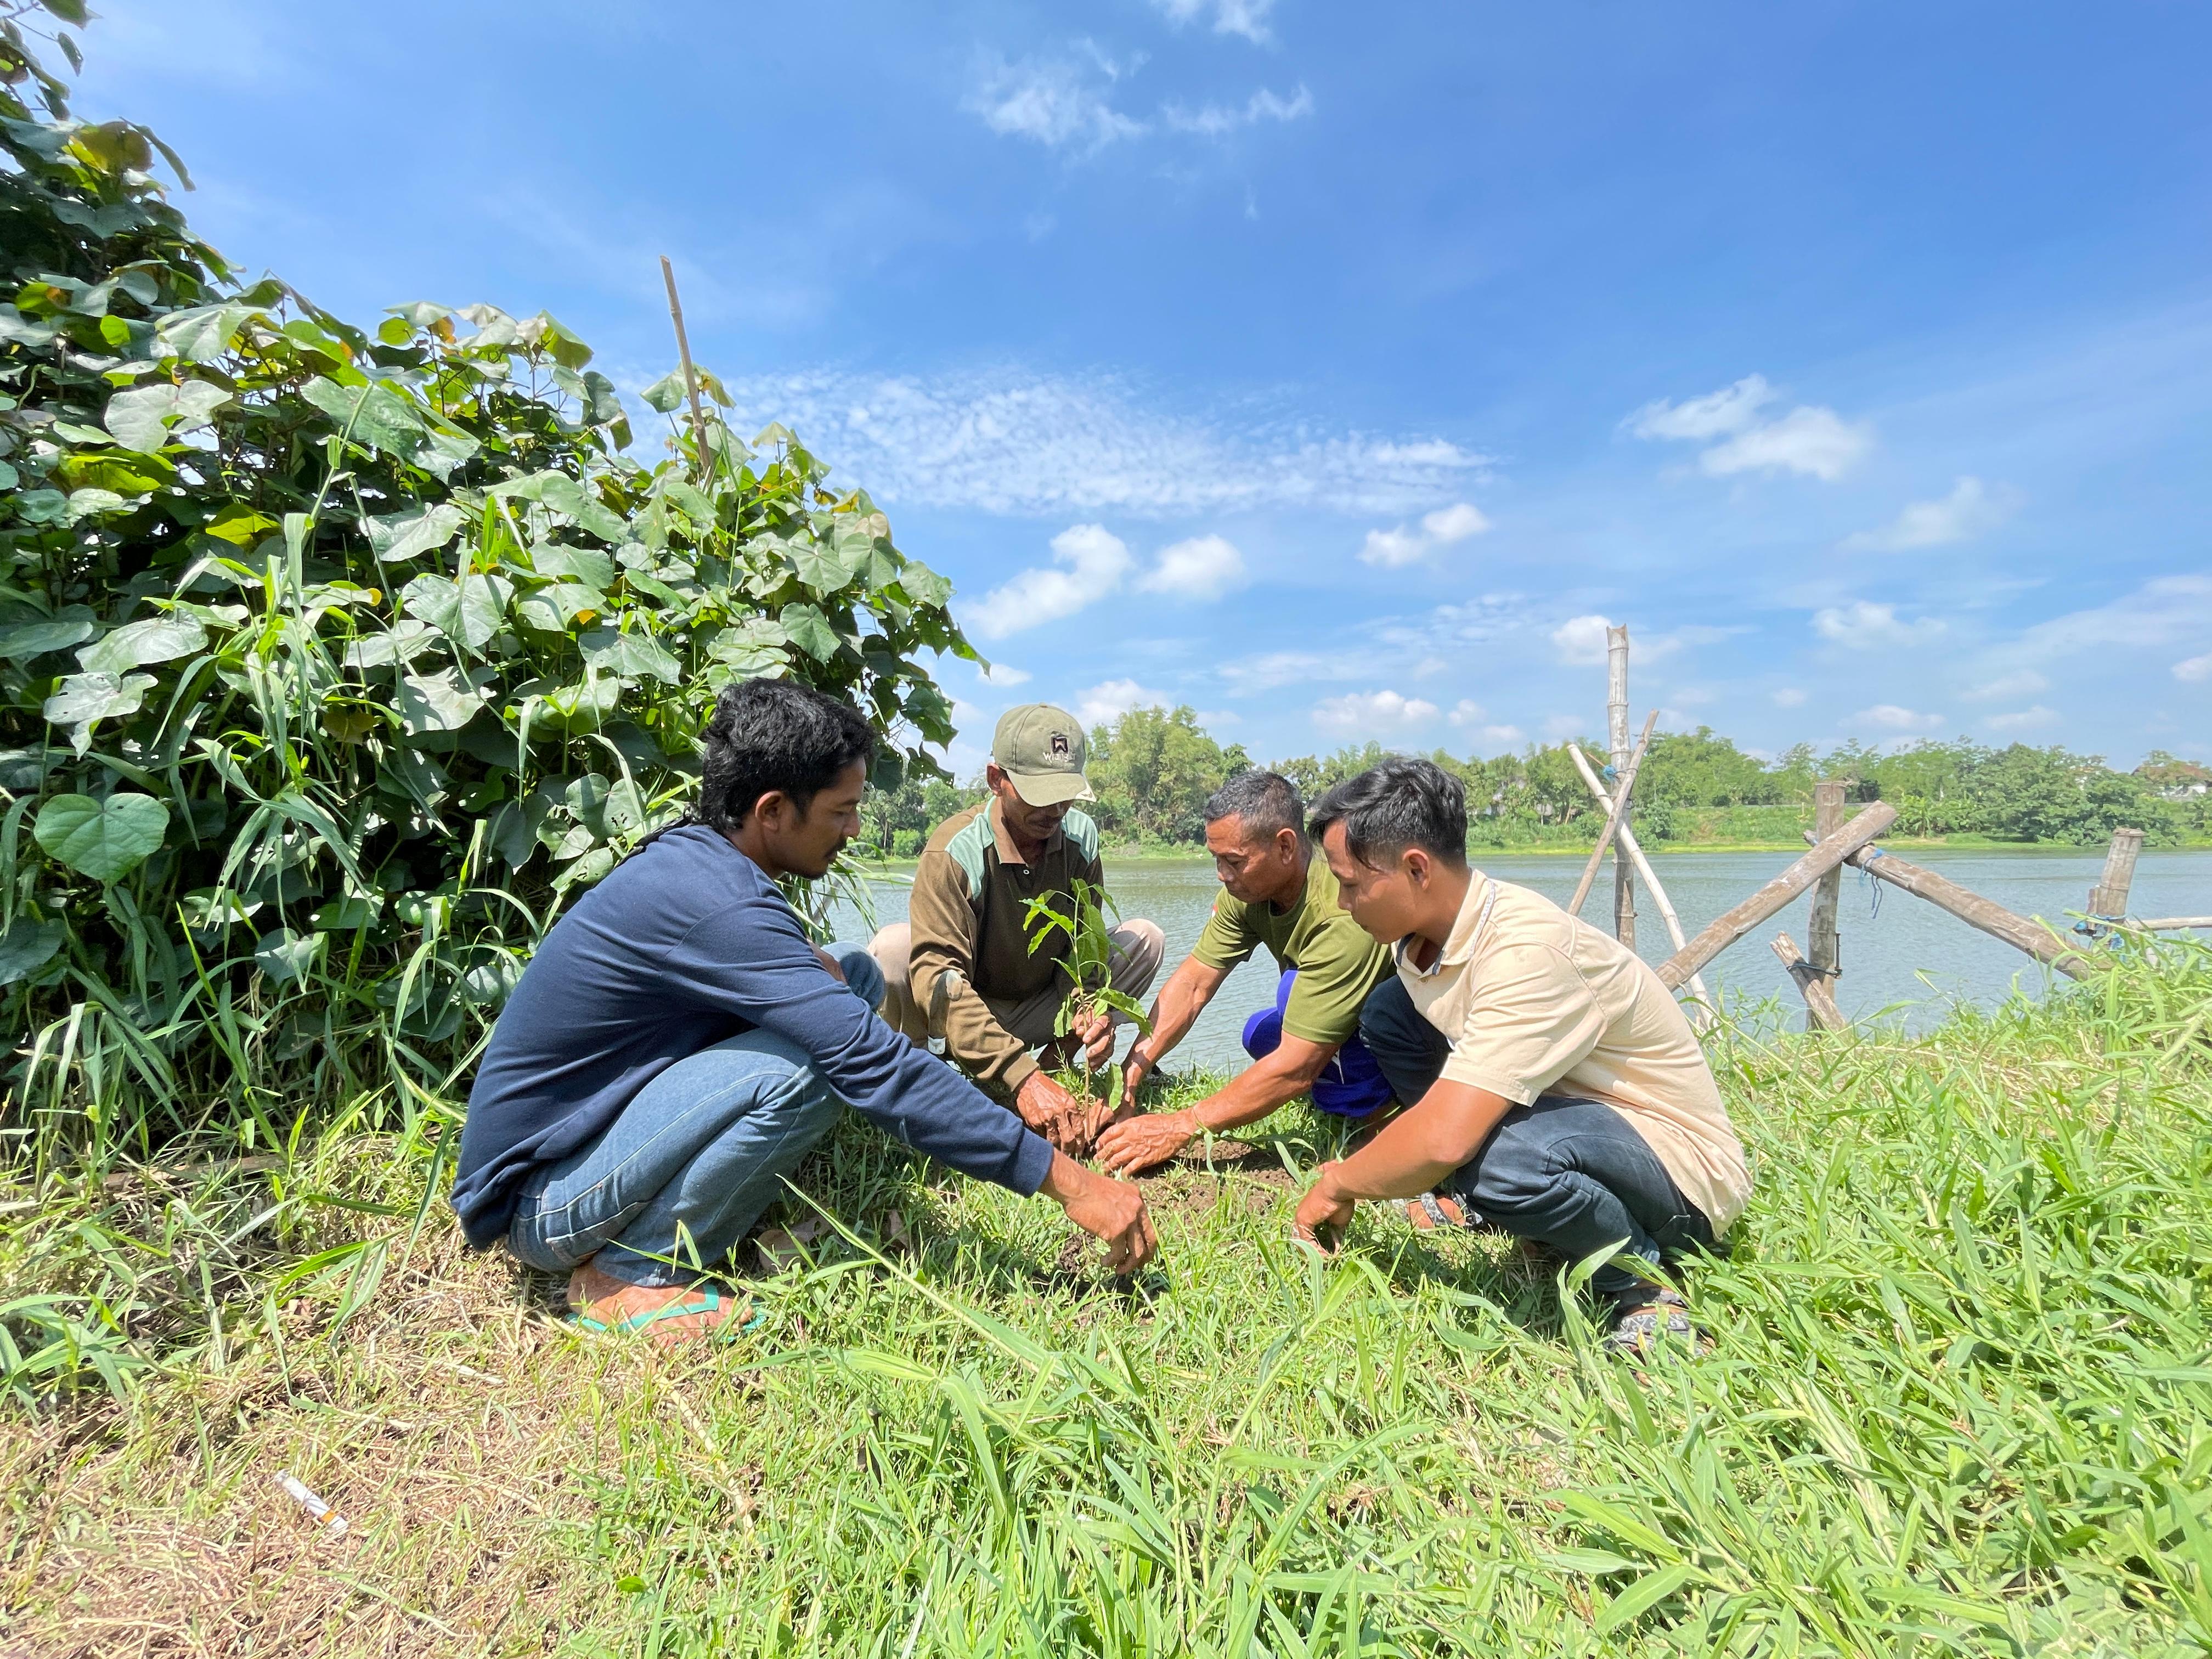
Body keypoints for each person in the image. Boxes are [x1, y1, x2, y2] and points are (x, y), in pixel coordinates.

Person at [452, 679, 1156, 1344]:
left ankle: (711, 1203)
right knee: (824, 1061)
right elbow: (871, 1062)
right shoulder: (720, 903)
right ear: (772, 812)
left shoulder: (704, 860)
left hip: (582, 1143)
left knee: (848, 972)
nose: (853, 830)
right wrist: (1070, 1184)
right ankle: (630, 1272)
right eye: (841, 811)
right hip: (536, 1201)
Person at [1290, 758, 1751, 1355]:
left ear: (1416, 868)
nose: (1344, 902)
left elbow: (1444, 1140)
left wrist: (1341, 1184)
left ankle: (1643, 1288)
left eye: (1352, 884)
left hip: (1680, 1174)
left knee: (1495, 1158)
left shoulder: (1528, 951)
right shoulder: (1424, 939)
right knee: (1389, 1014)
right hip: (1579, 1123)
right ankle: (1520, 1206)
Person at [868, 704, 1163, 1156]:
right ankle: (916, 1085)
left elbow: (1085, 945)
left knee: (1144, 939)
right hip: (970, 1004)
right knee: (893, 950)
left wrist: (1089, 1009)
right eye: (1038, 794)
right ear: (996, 779)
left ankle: (1054, 1068)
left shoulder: (1081, 838)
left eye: (1065, 794)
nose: (1055, 809)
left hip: (1041, 1003)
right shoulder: (955, 850)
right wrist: (1019, 1076)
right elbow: (940, 977)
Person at [1093, 771, 1395, 1176]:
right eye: (1216, 859)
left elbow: (1296, 1066)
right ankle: (1337, 1092)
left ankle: (1382, 1121)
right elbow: (1195, 983)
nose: (1222, 873)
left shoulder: (1340, 910)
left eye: (1234, 861)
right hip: (1340, 1014)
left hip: (1405, 1035)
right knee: (1260, 1034)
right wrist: (1131, 1075)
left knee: (1292, 1005)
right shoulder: (1246, 892)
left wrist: (1178, 1127)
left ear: (1286, 845)